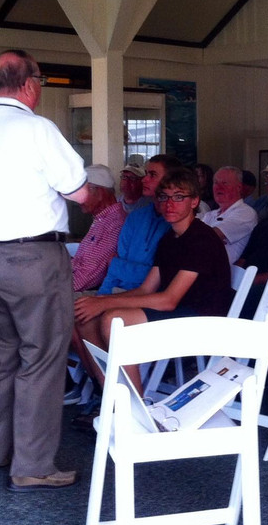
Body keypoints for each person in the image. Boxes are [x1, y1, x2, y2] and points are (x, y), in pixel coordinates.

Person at [0, 49, 89, 491]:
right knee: (42, 358)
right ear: (30, 84)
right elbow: (80, 192)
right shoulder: (36, 129)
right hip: (33, 257)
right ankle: (32, 465)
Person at [75, 168, 233, 393]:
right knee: (85, 320)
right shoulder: (170, 238)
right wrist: (99, 300)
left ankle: (133, 406)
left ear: (194, 201)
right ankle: (111, 396)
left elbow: (168, 300)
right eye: (164, 197)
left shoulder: (201, 239)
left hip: (203, 319)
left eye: (179, 197)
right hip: (178, 311)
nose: (170, 203)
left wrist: (104, 303)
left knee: (112, 319)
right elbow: (146, 288)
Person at [95, 154, 181, 295]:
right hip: (114, 293)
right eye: (146, 174)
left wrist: (117, 266)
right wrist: (101, 297)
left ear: (171, 181)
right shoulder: (136, 217)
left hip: (147, 300)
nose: (144, 180)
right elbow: (113, 272)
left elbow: (159, 278)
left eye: (152, 175)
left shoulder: (176, 223)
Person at [70, 165, 127, 293]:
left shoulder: (115, 224)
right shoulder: (102, 219)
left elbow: (85, 278)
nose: (78, 199)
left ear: (100, 192)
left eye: (83, 192)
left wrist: (50, 288)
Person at [200, 166, 258, 263]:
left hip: (219, 273)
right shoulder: (210, 215)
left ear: (239, 187)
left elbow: (208, 236)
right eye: (216, 183)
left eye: (224, 183)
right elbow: (196, 238)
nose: (218, 187)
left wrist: (208, 238)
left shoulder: (246, 213)